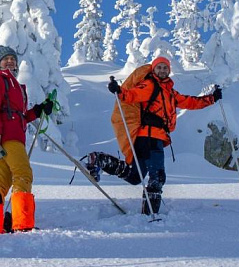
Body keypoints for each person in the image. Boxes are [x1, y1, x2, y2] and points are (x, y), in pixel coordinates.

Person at [86, 56, 222, 214]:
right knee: (157, 175)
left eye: (165, 68)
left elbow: (190, 102)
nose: (162, 70)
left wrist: (212, 98)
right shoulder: (150, 85)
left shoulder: (170, 92)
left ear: (169, 71)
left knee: (135, 176)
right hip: (150, 136)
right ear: (154, 69)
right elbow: (133, 95)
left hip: (150, 138)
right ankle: (150, 215)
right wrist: (119, 91)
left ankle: (100, 160)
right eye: (159, 67)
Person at [0, 45, 53, 235]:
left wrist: (38, 110)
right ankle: (22, 224)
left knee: (1, 183)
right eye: (6, 59)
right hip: (7, 138)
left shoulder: (14, 85)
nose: (10, 61)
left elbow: (19, 116)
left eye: (13, 58)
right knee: (23, 174)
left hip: (7, 138)